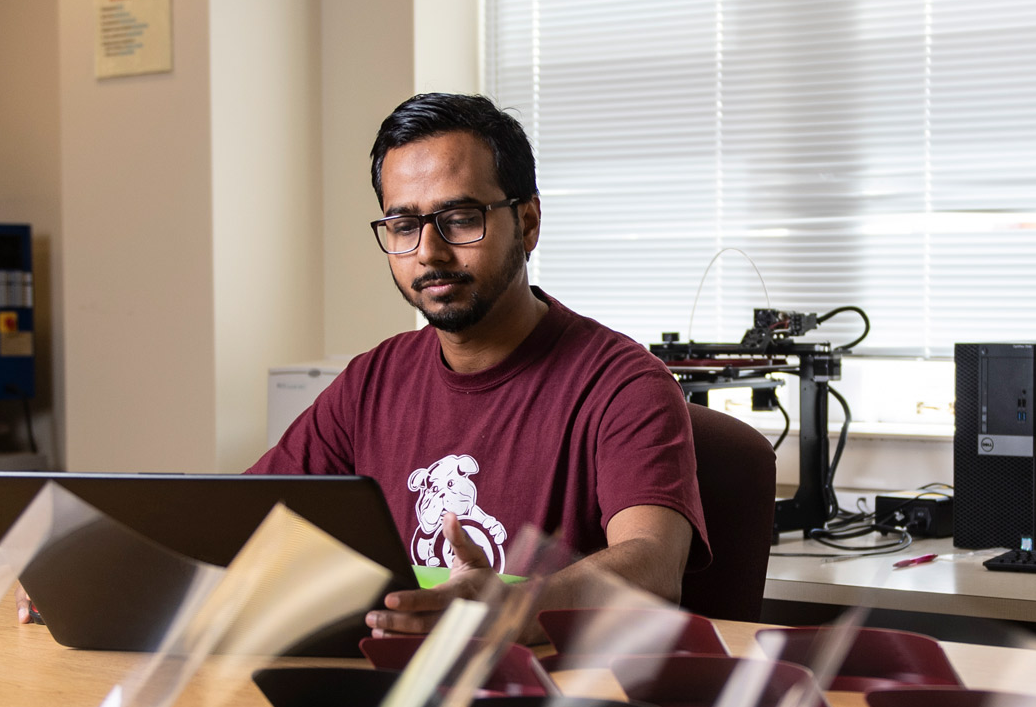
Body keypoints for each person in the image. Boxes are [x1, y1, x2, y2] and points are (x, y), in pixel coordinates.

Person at [248, 93, 706, 633]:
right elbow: (246, 523)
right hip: (388, 691)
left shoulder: (623, 384)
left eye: (460, 219)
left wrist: (512, 611)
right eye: (403, 226)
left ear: (528, 222)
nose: (429, 252)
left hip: (542, 699)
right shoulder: (370, 382)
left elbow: (654, 567)